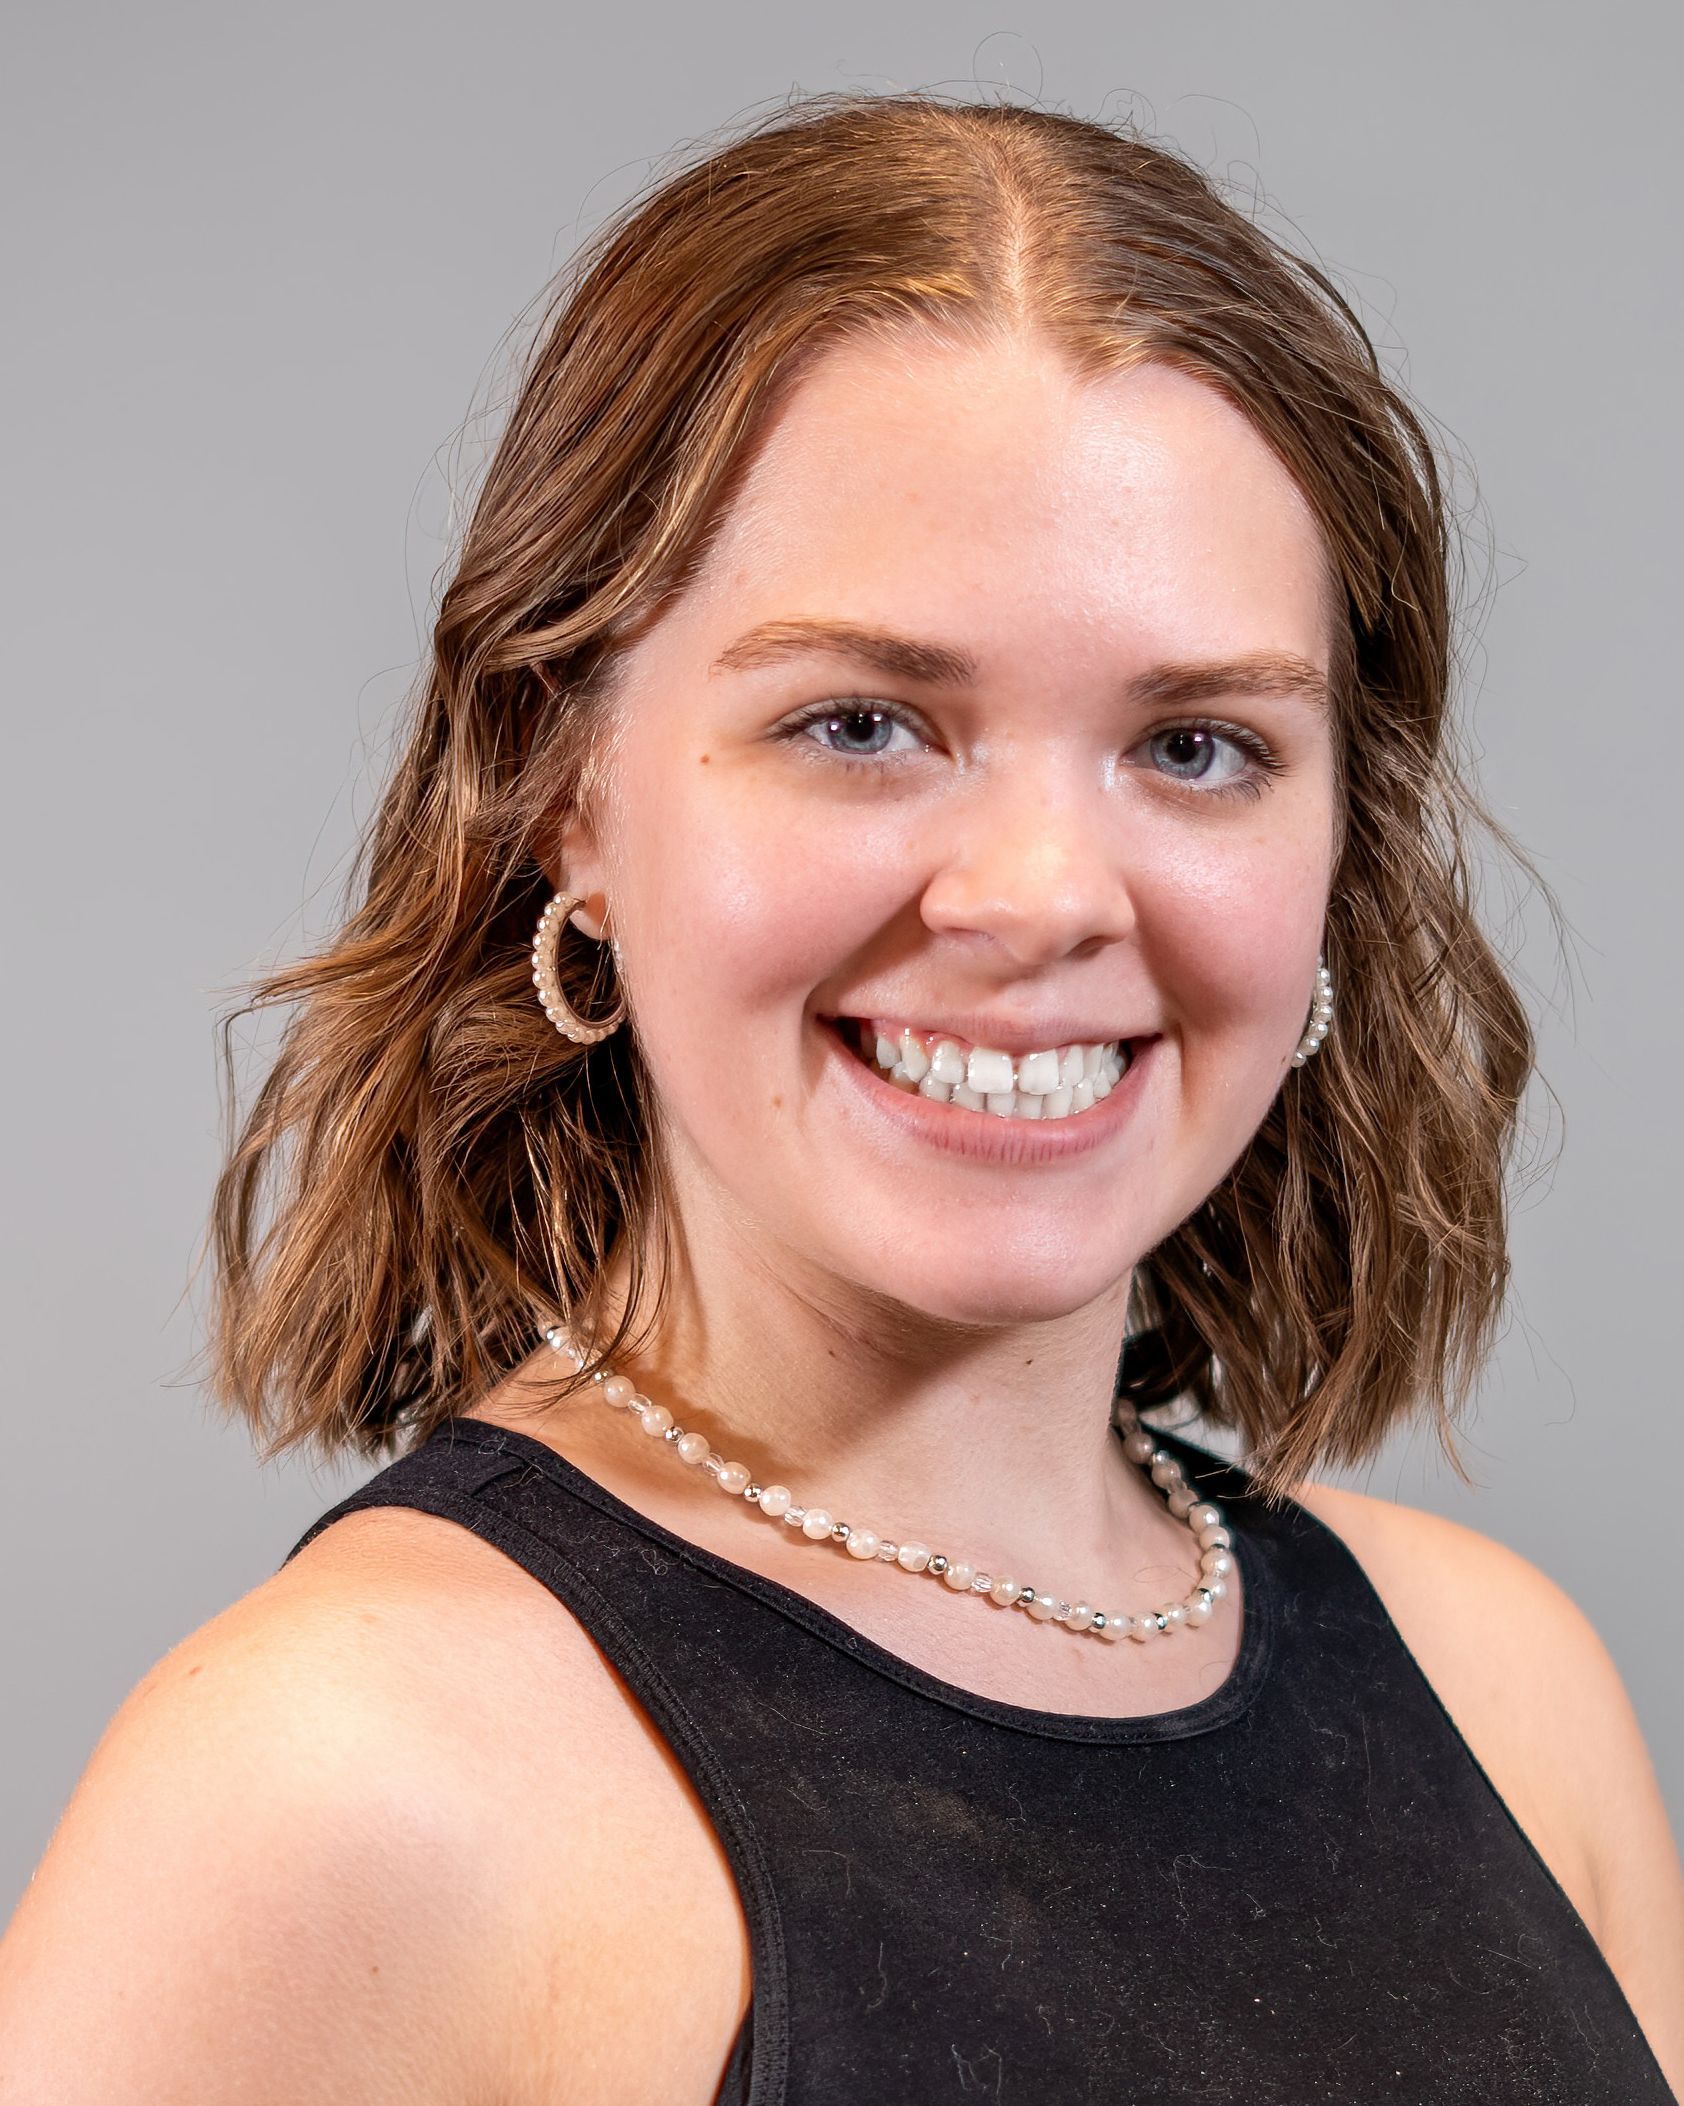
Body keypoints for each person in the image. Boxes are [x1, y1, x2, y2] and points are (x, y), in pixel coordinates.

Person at [1, 90, 1678, 2103]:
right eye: (862, 723)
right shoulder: (342, 1788)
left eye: (1198, 746)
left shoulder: (1503, 1690)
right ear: (566, 795)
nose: (1043, 894)